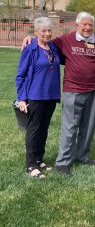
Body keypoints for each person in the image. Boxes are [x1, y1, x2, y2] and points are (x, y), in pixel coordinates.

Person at [22, 12, 95, 176]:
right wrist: (31, 37)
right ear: (77, 25)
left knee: (88, 126)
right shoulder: (65, 40)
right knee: (69, 127)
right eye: (84, 24)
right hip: (73, 90)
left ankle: (82, 156)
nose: (87, 28)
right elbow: (44, 40)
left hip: (94, 90)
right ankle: (63, 163)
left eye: (90, 25)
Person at [16, 17, 61, 178]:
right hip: (35, 95)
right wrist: (21, 98)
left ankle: (39, 158)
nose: (47, 33)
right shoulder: (30, 49)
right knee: (34, 129)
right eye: (43, 30)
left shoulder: (53, 48)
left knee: (44, 128)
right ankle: (30, 165)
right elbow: (20, 75)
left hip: (51, 95)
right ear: (36, 32)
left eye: (49, 30)